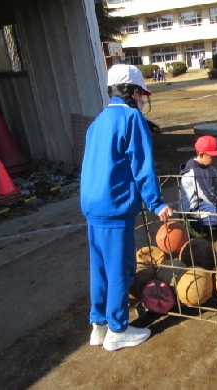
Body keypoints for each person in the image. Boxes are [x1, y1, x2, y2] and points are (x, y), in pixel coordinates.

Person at [80, 64, 173, 351]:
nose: (143, 99)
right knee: (120, 268)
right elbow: (141, 165)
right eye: (141, 93)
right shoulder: (131, 118)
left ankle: (99, 325)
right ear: (131, 92)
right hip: (114, 205)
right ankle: (117, 330)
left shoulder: (96, 122)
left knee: (101, 269)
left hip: (92, 206)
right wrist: (156, 203)